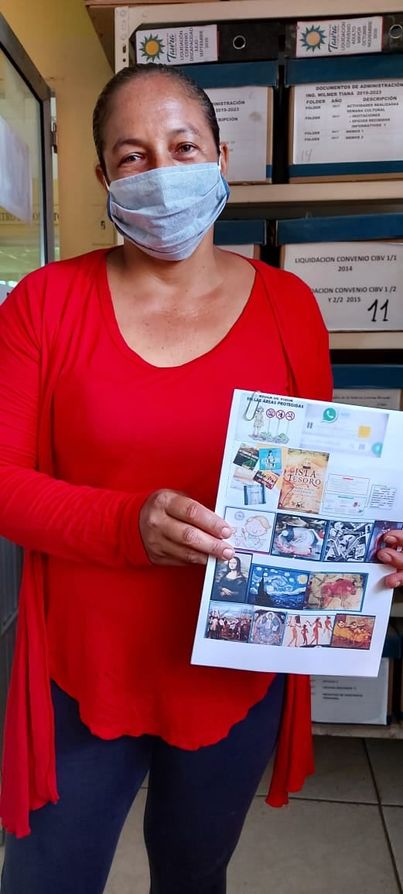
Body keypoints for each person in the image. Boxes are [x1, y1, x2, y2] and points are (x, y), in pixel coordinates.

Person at [0, 63, 402, 894]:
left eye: (182, 147)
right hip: (84, 666)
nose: (161, 171)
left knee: (194, 873)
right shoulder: (43, 302)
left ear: (221, 158)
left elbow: (316, 482)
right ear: (105, 178)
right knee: (46, 877)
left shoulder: (289, 306)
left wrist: (370, 541)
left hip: (232, 663)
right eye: (133, 155)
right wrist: (127, 525)